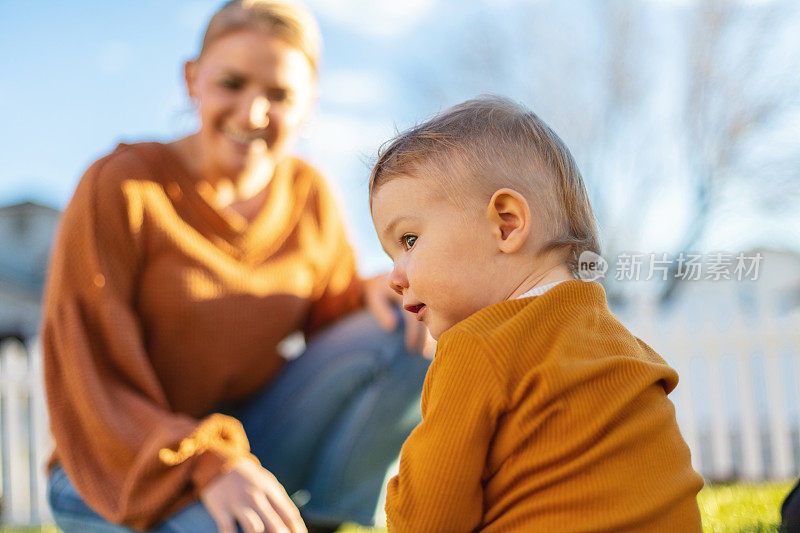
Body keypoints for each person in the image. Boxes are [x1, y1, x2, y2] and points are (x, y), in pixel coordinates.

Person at [42, 1, 430, 532]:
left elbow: (334, 326)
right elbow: (93, 381)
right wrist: (206, 461)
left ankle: (320, 522)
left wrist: (369, 291)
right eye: (231, 83)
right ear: (191, 80)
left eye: (279, 95)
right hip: (115, 465)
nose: (253, 114)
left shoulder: (308, 195)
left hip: (245, 447)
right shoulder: (120, 188)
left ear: (309, 104)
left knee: (406, 329)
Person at [368, 95, 705, 532]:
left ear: (506, 224)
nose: (394, 276)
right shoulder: (626, 349)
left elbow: (429, 521)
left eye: (408, 240)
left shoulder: (476, 347)